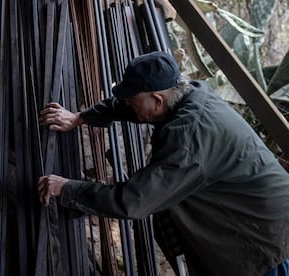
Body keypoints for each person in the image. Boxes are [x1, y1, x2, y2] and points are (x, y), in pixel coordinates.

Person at [37, 51, 289, 276]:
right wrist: (80, 117)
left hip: (267, 240)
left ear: (157, 99)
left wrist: (67, 188)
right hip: (262, 220)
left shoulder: (188, 139)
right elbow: (132, 107)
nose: (127, 103)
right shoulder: (189, 94)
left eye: (131, 99)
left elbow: (135, 201)